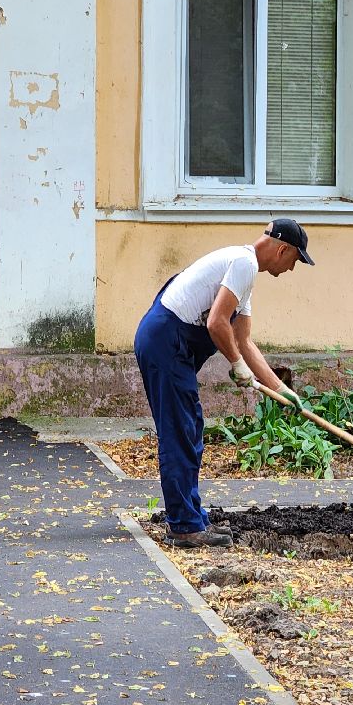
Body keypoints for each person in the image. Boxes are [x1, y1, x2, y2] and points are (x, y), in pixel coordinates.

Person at [134, 219, 314, 548]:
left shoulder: (243, 274)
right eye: (295, 260)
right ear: (282, 249)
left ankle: (192, 517)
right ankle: (184, 527)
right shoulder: (244, 264)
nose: (292, 269)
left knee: (190, 427)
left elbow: (244, 341)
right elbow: (217, 323)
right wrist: (236, 365)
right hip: (164, 340)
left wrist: (281, 390)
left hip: (169, 343)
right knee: (179, 431)